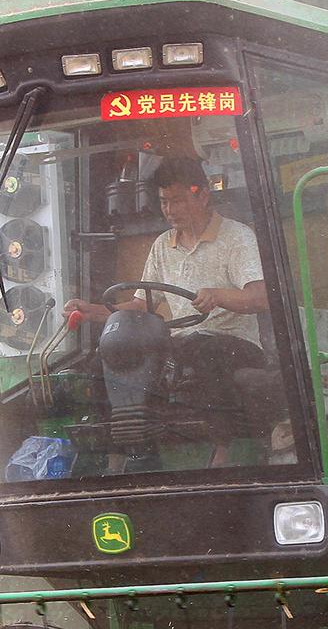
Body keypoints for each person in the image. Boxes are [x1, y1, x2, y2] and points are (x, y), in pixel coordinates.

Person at [65, 156, 272, 464]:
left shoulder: (237, 238)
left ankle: (221, 457)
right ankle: (117, 463)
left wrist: (218, 296)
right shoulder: (163, 245)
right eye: (164, 202)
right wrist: (92, 310)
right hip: (184, 343)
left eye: (178, 201)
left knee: (202, 353)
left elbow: (260, 297)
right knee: (107, 361)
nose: (170, 211)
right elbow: (140, 307)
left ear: (202, 195)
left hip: (234, 344)